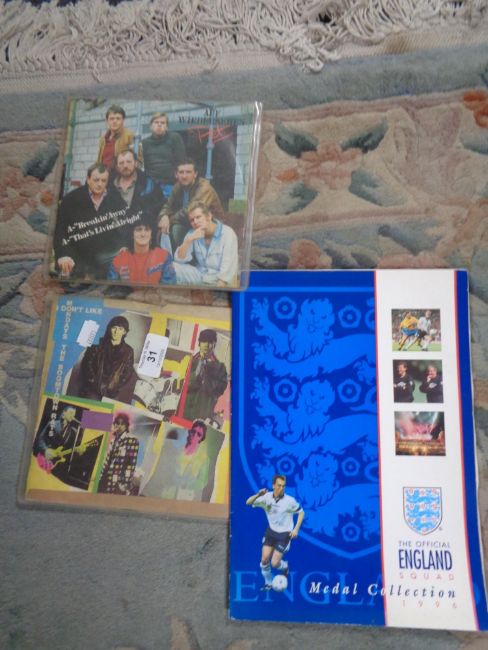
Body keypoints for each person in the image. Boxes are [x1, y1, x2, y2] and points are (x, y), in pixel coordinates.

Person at [53, 163, 128, 279]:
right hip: (77, 252)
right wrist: (63, 255)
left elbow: (126, 224)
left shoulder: (115, 198)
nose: (100, 184)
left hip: (105, 253)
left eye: (103, 181)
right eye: (96, 180)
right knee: (70, 279)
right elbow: (60, 231)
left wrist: (124, 245)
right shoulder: (71, 199)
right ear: (88, 179)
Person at [246, 474, 305, 591]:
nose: (281, 488)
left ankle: (285, 566)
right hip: (271, 532)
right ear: (273, 485)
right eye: (279, 485)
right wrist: (258, 494)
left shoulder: (290, 501)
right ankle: (268, 583)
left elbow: (301, 512)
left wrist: (296, 529)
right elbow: (248, 502)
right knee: (264, 559)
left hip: (284, 534)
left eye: (283, 486)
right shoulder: (266, 498)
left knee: (274, 563)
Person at [159, 159, 225, 251]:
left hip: (210, 225)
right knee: (174, 229)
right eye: (181, 172)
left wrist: (169, 220)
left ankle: (191, 256)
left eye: (188, 172)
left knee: (176, 229)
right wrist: (164, 216)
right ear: (176, 174)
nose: (184, 176)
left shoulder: (203, 187)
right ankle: (179, 256)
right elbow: (168, 205)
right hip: (191, 223)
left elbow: (190, 211)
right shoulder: (178, 186)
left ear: (195, 174)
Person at [173, 201, 238, 287]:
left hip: (219, 279)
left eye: (198, 217)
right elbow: (179, 260)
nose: (195, 222)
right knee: (173, 267)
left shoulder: (227, 233)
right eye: (192, 220)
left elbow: (227, 269)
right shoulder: (192, 233)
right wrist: (188, 240)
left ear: (209, 216)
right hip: (201, 275)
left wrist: (216, 290)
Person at [79, 315, 135, 401]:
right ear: (109, 329)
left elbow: (128, 372)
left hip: (111, 392)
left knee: (107, 410)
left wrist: (115, 385)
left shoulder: (128, 351)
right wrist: (94, 382)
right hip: (92, 389)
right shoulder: (97, 343)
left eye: (120, 329)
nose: (116, 331)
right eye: (114, 328)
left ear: (124, 332)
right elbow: (86, 363)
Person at [108, 216, 176, 285]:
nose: (143, 234)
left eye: (147, 229)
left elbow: (169, 287)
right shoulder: (119, 260)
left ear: (151, 233)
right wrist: (123, 285)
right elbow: (111, 288)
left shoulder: (164, 256)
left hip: (157, 292)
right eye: (138, 230)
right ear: (132, 234)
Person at [182, 328, 228, 422]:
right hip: (184, 410)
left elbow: (217, 392)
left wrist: (207, 371)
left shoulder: (220, 368)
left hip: (202, 413)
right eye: (203, 341)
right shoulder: (188, 361)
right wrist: (199, 365)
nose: (206, 344)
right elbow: (183, 384)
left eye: (210, 342)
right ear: (199, 343)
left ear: (214, 344)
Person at [137, 112, 186, 199]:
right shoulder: (143, 143)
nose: (159, 125)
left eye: (162, 123)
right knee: (143, 199)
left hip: (170, 181)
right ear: (150, 126)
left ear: (167, 127)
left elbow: (181, 161)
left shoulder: (175, 138)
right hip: (151, 181)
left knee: (172, 203)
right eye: (156, 122)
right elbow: (140, 166)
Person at [112, 149, 165, 223]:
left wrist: (164, 216)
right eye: (121, 163)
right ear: (117, 167)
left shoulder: (149, 183)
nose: (125, 166)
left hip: (142, 226)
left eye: (129, 162)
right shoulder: (109, 186)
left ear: (136, 163)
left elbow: (161, 205)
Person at [98, 413, 139, 495]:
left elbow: (131, 464)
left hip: (117, 481)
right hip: (104, 478)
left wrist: (125, 483)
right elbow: (107, 460)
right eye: (117, 423)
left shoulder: (132, 440)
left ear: (126, 426)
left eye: (122, 424)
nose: (119, 426)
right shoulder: (113, 440)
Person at [34, 405, 81, 472]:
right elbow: (40, 439)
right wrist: (46, 450)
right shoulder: (52, 424)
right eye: (71, 413)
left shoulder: (72, 432)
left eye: (74, 414)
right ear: (64, 413)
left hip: (54, 464)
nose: (72, 416)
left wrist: (77, 450)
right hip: (43, 458)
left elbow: (66, 448)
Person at [97, 104, 134, 170]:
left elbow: (139, 159)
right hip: (104, 174)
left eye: (118, 118)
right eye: (112, 119)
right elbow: (99, 160)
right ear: (107, 121)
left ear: (123, 120)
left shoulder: (130, 136)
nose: (115, 121)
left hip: (120, 174)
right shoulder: (103, 139)